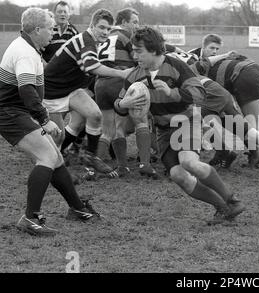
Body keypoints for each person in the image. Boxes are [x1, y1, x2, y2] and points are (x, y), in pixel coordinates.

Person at [114, 26, 245, 224]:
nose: (134, 55)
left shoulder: (175, 66)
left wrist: (170, 92)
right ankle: (222, 208)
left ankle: (232, 200)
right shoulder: (134, 76)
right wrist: (123, 104)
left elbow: (199, 93)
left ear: (154, 50)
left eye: (139, 51)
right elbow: (119, 104)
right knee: (178, 175)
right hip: (164, 130)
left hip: (186, 121)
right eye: (133, 50)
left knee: (189, 162)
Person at [0, 8, 99, 236]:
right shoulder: (24, 52)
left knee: (55, 157)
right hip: (10, 113)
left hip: (17, 111)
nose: (53, 33)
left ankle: (77, 208)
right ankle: (30, 218)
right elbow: (26, 89)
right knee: (46, 156)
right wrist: (44, 119)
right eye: (50, 28)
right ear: (37, 30)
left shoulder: (29, 48)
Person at [43, 9, 130, 176]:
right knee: (58, 138)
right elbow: (92, 67)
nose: (105, 32)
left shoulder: (93, 41)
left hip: (70, 89)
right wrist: (121, 73)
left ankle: (90, 156)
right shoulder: (86, 41)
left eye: (108, 29)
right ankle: (52, 169)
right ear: (92, 26)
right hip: (52, 92)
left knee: (95, 115)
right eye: (101, 27)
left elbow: (86, 69)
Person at [92, 8, 157, 178]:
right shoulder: (126, 36)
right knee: (141, 119)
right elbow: (138, 57)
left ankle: (108, 163)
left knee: (109, 129)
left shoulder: (105, 37)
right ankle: (145, 163)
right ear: (123, 23)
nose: (137, 26)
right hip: (118, 81)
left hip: (100, 84)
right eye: (134, 22)